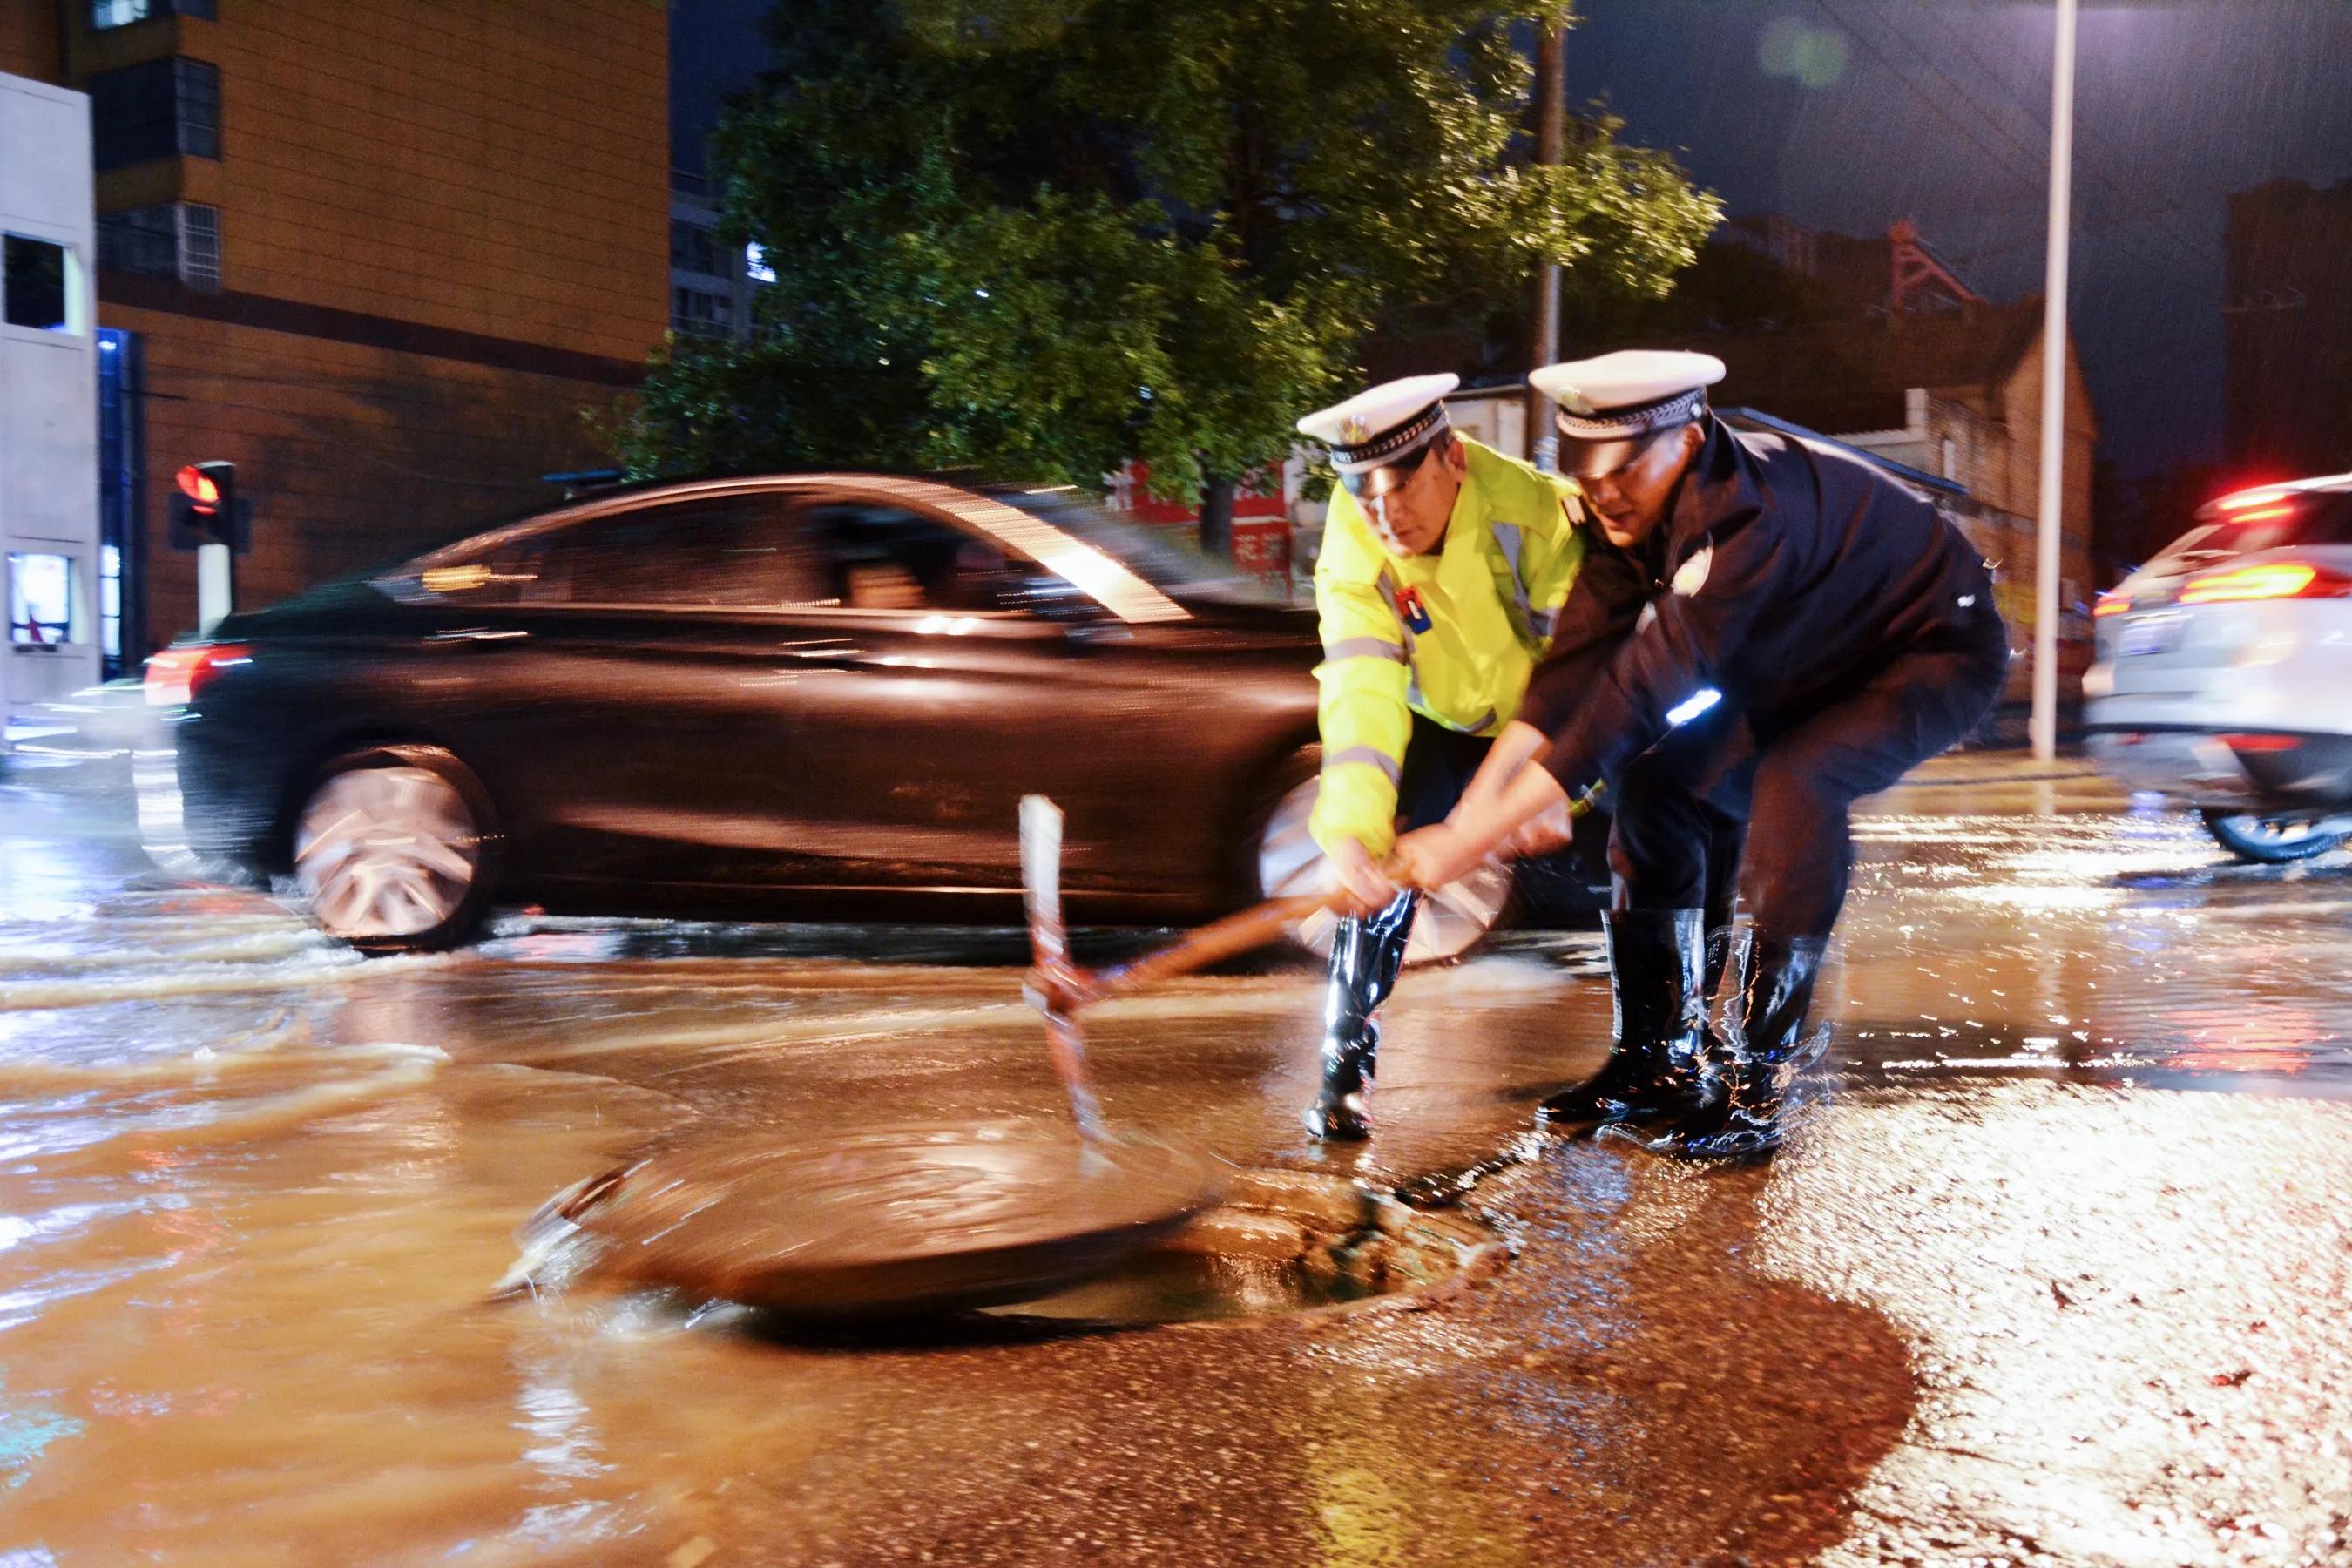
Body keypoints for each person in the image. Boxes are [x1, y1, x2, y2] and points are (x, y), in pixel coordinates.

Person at [1390, 349, 2010, 1159]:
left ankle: (1758, 1087)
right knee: (1657, 789)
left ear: (1685, 440)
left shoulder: (1743, 518)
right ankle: (1658, 1062)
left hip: (1928, 651)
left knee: (1798, 783)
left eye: (1622, 470)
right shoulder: (1617, 515)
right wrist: (1471, 819)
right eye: (1586, 473)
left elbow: (1637, 694)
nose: (1603, 492)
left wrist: (1465, 843)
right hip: (1805, 661)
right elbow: (1571, 673)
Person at [1294, 373, 1587, 1139]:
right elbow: (1359, 686)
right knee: (1376, 866)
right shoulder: (1354, 537)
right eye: (1366, 496)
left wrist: (1556, 785)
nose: (1386, 517)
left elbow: (1580, 671)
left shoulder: (1536, 514)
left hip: (1546, 721)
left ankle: (1662, 1053)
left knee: (1653, 847)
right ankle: (1343, 1074)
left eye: (1403, 489)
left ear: (1452, 458)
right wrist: (1349, 830)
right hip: (1439, 717)